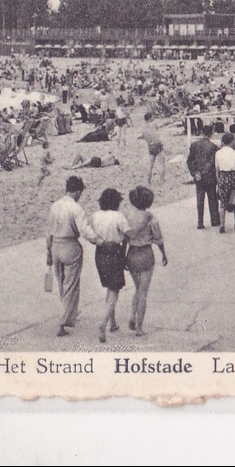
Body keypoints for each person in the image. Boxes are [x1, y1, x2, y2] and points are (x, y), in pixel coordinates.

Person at [45, 176, 102, 337]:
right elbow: (85, 230)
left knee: (62, 282)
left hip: (55, 245)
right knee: (72, 284)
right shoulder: (76, 209)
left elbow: (48, 232)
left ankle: (68, 313)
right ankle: (63, 321)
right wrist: (99, 241)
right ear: (77, 192)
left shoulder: (55, 206)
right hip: (70, 246)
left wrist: (48, 252)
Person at [124, 186, 167, 337]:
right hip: (146, 254)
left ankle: (131, 316)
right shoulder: (151, 218)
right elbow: (158, 239)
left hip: (131, 254)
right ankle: (139, 326)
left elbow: (124, 237)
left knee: (137, 288)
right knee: (143, 292)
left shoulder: (127, 216)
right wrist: (164, 254)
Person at [90, 188, 130, 343]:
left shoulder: (95, 216)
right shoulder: (118, 216)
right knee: (114, 289)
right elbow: (127, 234)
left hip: (100, 252)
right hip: (114, 252)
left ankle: (112, 322)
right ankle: (104, 322)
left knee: (109, 286)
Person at [186, 125, 220, 230]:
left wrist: (194, 172)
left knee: (200, 200)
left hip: (198, 177)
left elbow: (189, 161)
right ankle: (214, 220)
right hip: (209, 176)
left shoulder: (194, 145)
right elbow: (212, 163)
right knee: (212, 199)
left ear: (201, 132)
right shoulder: (213, 147)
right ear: (211, 133)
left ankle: (200, 222)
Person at [215, 132, 235, 233]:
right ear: (231, 142)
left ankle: (222, 225)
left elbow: (217, 169)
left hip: (223, 177)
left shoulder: (218, 153)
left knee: (222, 202)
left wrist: (218, 183)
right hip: (232, 177)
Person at [139, 113, 166, 185]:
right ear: (150, 118)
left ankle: (148, 181)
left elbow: (142, 136)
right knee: (162, 163)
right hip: (157, 144)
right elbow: (162, 124)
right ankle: (161, 180)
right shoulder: (153, 124)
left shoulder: (143, 127)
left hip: (150, 146)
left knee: (150, 165)